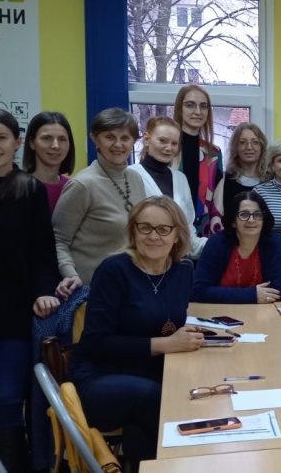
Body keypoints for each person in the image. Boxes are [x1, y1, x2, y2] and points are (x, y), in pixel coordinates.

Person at [0, 109, 61, 470]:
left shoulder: (30, 190)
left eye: (0, 138)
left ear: (17, 142)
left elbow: (43, 252)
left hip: (13, 314)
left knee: (5, 398)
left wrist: (44, 291)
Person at [71, 196, 201, 465]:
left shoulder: (182, 271)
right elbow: (96, 343)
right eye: (145, 227)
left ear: (177, 235)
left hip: (152, 374)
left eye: (163, 229)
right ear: (133, 231)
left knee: (194, 394)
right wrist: (165, 344)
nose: (154, 236)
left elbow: (169, 322)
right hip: (101, 377)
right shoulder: (114, 270)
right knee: (157, 398)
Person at [53, 108, 146, 289]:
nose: (118, 144)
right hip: (91, 289)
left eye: (125, 138)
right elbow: (59, 241)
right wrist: (71, 275)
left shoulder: (135, 178)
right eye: (110, 137)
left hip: (129, 285)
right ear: (95, 139)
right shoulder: (83, 185)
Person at [130, 116, 206, 257]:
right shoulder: (131, 175)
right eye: (163, 141)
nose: (169, 148)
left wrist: (216, 245)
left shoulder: (180, 179)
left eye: (174, 143)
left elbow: (187, 232)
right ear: (146, 140)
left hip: (175, 262)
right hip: (140, 260)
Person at [192, 191, 281, 303]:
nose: (251, 220)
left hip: (263, 310)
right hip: (220, 311)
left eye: (257, 215)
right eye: (244, 215)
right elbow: (198, 290)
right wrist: (252, 295)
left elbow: (277, 291)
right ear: (233, 221)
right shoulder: (217, 242)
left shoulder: (274, 243)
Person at [172, 84, 223, 228]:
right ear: (180, 109)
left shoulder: (213, 153)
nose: (198, 111)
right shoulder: (167, 148)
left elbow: (217, 201)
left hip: (203, 230)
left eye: (203, 106)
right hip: (169, 227)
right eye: (190, 105)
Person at [211, 122, 268, 232]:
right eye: (242, 142)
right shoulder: (224, 180)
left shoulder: (271, 180)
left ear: (262, 146)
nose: (249, 147)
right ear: (235, 147)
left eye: (255, 142)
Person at [22, 111, 76, 214]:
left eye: (62, 139)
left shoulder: (73, 187)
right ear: (32, 142)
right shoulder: (17, 187)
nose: (55, 145)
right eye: (46, 138)